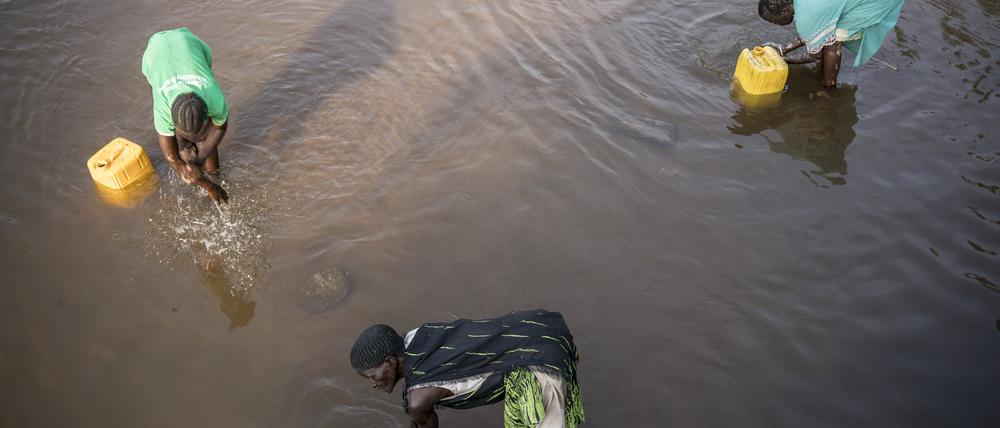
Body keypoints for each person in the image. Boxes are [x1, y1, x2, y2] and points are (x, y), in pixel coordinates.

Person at [350, 309, 585, 428]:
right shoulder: (417, 338)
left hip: (538, 366)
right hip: (536, 327)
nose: (372, 382)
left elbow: (424, 421)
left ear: (391, 362)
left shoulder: (419, 399)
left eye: (372, 375)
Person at [141, 28, 229, 203]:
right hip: (155, 53)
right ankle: (190, 150)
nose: (194, 137)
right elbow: (171, 156)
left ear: (206, 112)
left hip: (188, 41)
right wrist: (206, 184)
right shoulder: (163, 107)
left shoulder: (213, 97)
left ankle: (214, 173)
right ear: (172, 121)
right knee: (184, 150)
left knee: (206, 139)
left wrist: (202, 156)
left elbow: (220, 126)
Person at [758, 0, 905, 87]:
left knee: (833, 43)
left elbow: (815, 55)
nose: (775, 24)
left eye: (773, 21)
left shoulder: (808, 15)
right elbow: (817, 27)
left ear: (783, 11)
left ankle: (829, 88)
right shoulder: (804, 6)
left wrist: (783, 60)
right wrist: (783, 48)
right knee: (824, 31)